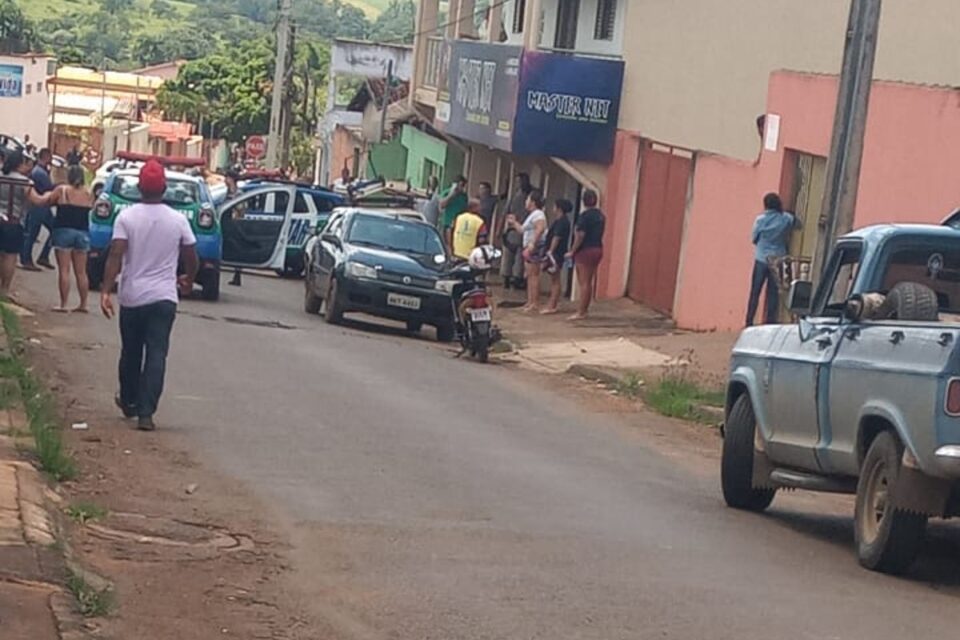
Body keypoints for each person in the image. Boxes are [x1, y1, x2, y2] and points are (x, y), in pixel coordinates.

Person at [100, 160, 199, 431]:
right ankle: (146, 413)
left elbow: (116, 254)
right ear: (164, 187)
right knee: (157, 354)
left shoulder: (126, 217)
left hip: (132, 297)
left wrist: (106, 290)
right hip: (164, 298)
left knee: (131, 352)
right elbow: (191, 255)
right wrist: (189, 279)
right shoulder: (178, 220)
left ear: (140, 187)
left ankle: (129, 400)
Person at [0, 151, 55, 300]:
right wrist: (49, 195)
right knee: (10, 256)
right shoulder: (24, 182)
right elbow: (37, 200)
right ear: (19, 164)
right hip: (14, 222)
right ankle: (4, 290)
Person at [746, 192, 797, 326]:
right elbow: (798, 225)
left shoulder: (760, 220)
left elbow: (754, 239)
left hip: (762, 259)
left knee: (755, 292)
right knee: (773, 293)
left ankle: (749, 321)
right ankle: (770, 322)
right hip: (778, 259)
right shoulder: (785, 218)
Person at [49, 165, 93, 312]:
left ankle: (63, 304)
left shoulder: (62, 191)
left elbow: (46, 200)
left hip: (63, 231)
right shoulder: (88, 193)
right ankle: (83, 304)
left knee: (64, 270)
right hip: (82, 233)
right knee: (81, 272)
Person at [565, 189, 605, 321]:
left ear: (583, 201)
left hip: (585, 250)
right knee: (589, 281)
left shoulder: (584, 216)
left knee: (583, 282)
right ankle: (584, 309)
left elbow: (580, 234)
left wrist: (572, 250)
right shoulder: (600, 215)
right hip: (597, 248)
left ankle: (581, 311)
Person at [506, 189, 547, 312]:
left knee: (533, 275)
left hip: (533, 246)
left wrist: (532, 244)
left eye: (528, 199)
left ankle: (534, 302)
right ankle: (530, 301)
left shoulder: (538, 214)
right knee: (529, 275)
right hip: (529, 245)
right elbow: (523, 230)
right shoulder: (533, 215)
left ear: (533, 202)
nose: (526, 201)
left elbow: (540, 228)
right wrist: (514, 223)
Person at [21, 148, 56, 271]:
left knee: (53, 229)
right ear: (46, 157)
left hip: (42, 206)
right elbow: (48, 188)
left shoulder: (40, 171)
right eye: (50, 157)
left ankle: (42, 256)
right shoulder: (40, 173)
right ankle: (26, 259)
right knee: (32, 233)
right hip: (38, 205)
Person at [541, 198, 573, 315]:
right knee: (554, 279)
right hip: (556, 252)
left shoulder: (562, 222)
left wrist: (550, 251)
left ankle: (552, 305)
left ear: (559, 208)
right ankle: (551, 303)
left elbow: (556, 237)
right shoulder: (561, 221)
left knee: (555, 280)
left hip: (556, 253)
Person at [500, 173, 531, 290]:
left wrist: (499, 231)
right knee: (517, 257)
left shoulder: (514, 198)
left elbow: (504, 215)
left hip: (515, 231)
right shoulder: (524, 198)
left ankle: (508, 279)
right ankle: (515, 280)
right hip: (518, 231)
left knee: (511, 256)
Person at [438, 175, 468, 248]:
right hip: (447, 223)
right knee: (446, 245)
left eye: (463, 185)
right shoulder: (446, 193)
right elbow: (442, 205)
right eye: (460, 185)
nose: (462, 188)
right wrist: (452, 194)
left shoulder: (464, 196)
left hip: (459, 224)